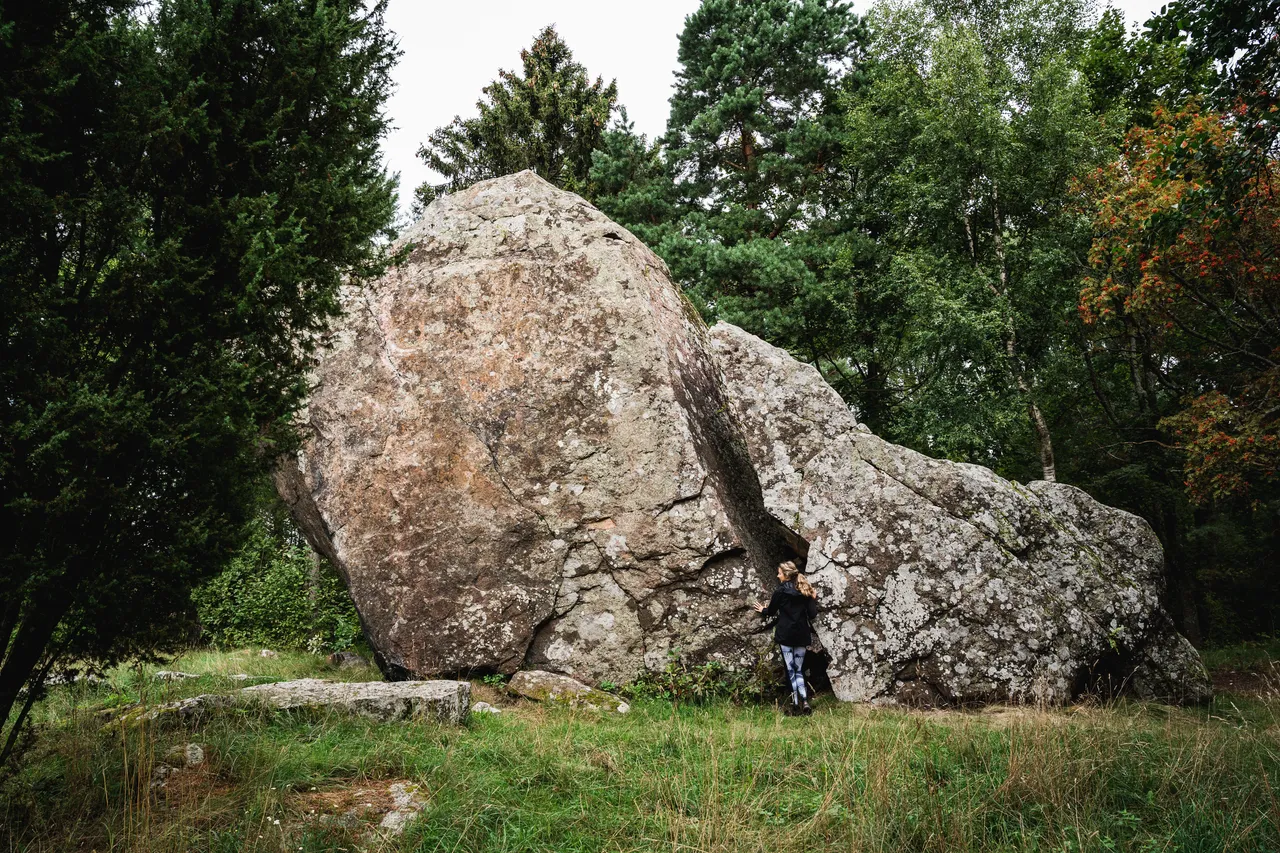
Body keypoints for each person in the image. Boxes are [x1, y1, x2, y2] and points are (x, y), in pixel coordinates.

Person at [753, 559, 819, 716]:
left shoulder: (780, 591)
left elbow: (771, 611)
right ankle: (805, 701)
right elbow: (812, 614)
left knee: (790, 669)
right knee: (799, 669)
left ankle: (795, 702)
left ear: (786, 575)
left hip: (785, 634)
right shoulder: (805, 590)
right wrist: (813, 599)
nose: (777, 575)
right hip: (801, 634)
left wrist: (762, 609)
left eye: (780, 573)